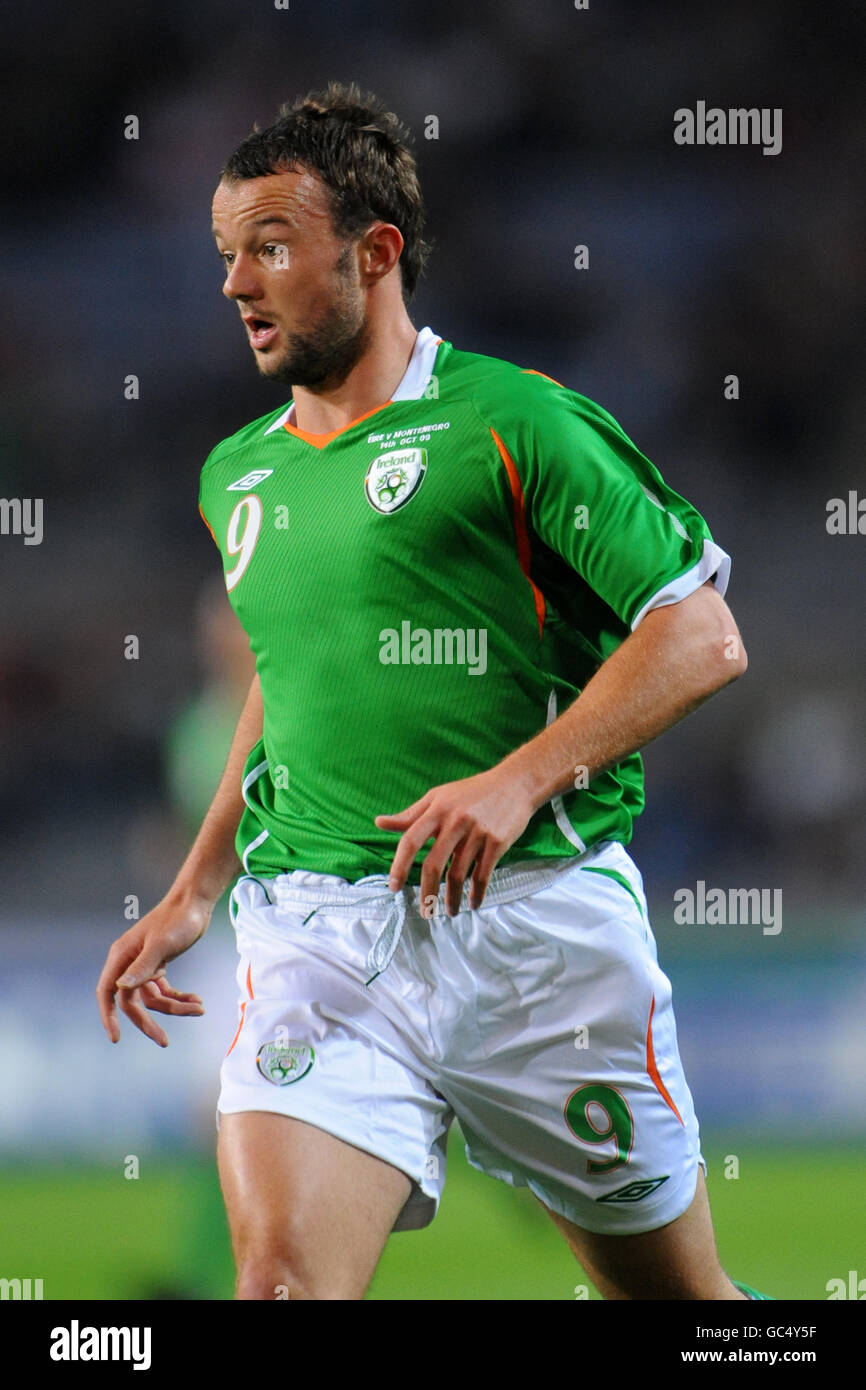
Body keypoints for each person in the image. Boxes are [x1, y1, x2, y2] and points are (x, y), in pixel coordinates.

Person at [97, 81, 769, 1302]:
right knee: (282, 1285)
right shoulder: (236, 476)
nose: (235, 284)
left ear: (375, 252)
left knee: (681, 1307)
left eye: (269, 247)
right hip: (320, 936)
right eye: (223, 254)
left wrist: (515, 785)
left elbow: (699, 634)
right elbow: (292, 688)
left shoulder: (516, 423)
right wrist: (201, 885)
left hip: (536, 934)